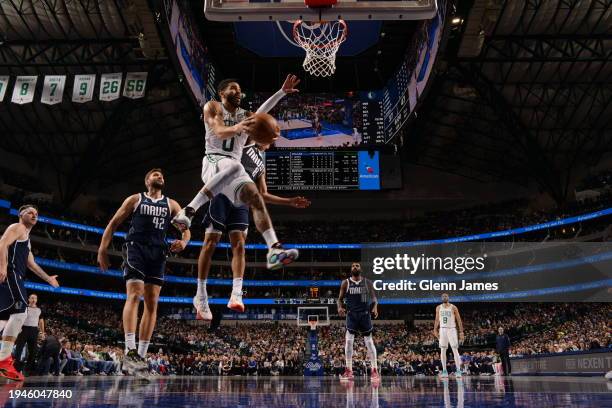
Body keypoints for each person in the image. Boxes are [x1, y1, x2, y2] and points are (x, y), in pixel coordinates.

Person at [171, 75, 301, 270]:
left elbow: (261, 113)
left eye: (240, 90)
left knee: (255, 198)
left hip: (232, 168)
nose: (238, 92)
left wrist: (281, 92)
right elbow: (219, 131)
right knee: (235, 166)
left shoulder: (246, 114)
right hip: (214, 161)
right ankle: (189, 210)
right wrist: (239, 126)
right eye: (234, 89)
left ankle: (274, 249)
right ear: (222, 93)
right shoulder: (213, 107)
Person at [193, 141, 311, 319]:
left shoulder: (261, 162)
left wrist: (289, 201)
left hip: (242, 201)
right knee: (210, 243)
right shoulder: (246, 143)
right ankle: (201, 294)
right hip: (223, 192)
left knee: (240, 245)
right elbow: (251, 121)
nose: (271, 143)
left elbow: (262, 194)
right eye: (271, 137)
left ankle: (236, 294)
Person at [97, 169, 191, 376]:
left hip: (158, 251)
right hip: (136, 247)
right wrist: (102, 249)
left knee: (152, 301)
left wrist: (184, 241)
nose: (160, 176)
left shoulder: (172, 204)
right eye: (155, 174)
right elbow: (113, 223)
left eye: (162, 175)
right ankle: (129, 350)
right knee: (135, 293)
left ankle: (140, 357)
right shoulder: (135, 199)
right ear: (147, 180)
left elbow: (186, 229)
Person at [0, 205, 60, 381]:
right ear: (21, 215)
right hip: (10, 274)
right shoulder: (17, 227)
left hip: (15, 275)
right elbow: (2, 243)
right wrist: (2, 266)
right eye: (30, 212)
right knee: (20, 312)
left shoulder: (27, 238)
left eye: (37, 213)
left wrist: (48, 279)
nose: (34, 215)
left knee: (4, 318)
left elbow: (31, 264)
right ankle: (3, 359)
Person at [337, 262, 380, 383]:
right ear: (351, 269)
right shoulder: (346, 282)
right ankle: (349, 370)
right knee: (349, 341)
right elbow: (339, 300)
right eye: (353, 266)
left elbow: (374, 298)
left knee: (369, 342)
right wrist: (339, 308)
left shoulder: (367, 282)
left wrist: (375, 307)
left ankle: (374, 370)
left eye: (357, 266)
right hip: (351, 314)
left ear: (360, 269)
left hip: (365, 314)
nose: (355, 267)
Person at [433, 293, 464, 378]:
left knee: (455, 349)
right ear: (441, 298)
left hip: (452, 329)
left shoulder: (453, 307)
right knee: (442, 350)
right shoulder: (438, 307)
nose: (444, 297)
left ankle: (458, 370)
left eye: (446, 296)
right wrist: (435, 329)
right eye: (443, 296)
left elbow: (459, 320)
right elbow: (436, 320)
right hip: (442, 329)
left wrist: (461, 332)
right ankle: (444, 371)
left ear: (449, 297)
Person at [14, 293, 44, 375]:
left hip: (34, 330)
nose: (34, 300)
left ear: (37, 300)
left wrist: (42, 332)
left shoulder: (39, 310)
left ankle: (27, 369)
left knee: (33, 351)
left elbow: (41, 321)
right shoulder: (24, 308)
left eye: (35, 298)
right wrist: (18, 327)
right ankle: (16, 368)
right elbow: (19, 318)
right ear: (29, 299)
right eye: (32, 298)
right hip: (24, 329)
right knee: (18, 349)